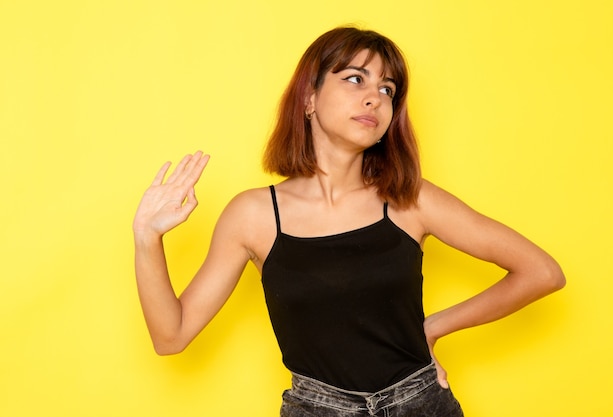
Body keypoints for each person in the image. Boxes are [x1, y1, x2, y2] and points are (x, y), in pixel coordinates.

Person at [133, 27, 565, 417]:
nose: (375, 97)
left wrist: (432, 327)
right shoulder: (253, 216)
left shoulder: (410, 199)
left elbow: (542, 273)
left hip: (420, 403)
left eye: (387, 89)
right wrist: (147, 238)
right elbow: (171, 337)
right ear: (309, 98)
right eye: (356, 78)